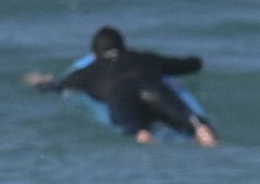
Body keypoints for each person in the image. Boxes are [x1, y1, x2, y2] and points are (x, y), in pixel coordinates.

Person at [26, 25, 219, 145]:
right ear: (123, 46)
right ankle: (207, 139)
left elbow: (59, 88)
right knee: (196, 125)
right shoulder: (144, 58)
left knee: (138, 131)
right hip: (153, 89)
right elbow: (187, 65)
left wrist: (41, 82)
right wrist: (197, 60)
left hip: (120, 96)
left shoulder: (87, 72)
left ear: (94, 54)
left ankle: (147, 141)